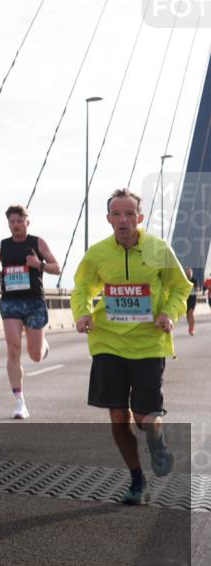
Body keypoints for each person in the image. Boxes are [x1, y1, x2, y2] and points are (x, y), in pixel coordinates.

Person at [71, 188, 191, 505]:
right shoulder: (97, 254)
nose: (123, 220)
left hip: (149, 343)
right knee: (117, 415)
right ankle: (137, 481)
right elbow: (81, 287)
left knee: (143, 415)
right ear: (109, 219)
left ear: (139, 218)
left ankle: (157, 440)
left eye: (129, 214)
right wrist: (82, 314)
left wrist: (169, 313)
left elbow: (181, 287)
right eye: (116, 214)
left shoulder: (158, 249)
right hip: (108, 341)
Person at [0, 205, 59, 419]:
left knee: (35, 355)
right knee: (13, 348)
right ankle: (20, 401)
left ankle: (43, 347)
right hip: (10, 302)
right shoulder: (2, 245)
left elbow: (57, 267)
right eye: (12, 222)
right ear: (8, 223)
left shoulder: (37, 243)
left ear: (27, 222)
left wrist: (39, 264)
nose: (16, 225)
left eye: (20, 221)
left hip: (33, 302)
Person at [185, 267, 198, 335]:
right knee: (187, 315)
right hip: (186, 299)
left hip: (193, 299)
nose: (189, 274)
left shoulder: (194, 280)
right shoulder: (184, 280)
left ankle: (192, 329)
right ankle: (190, 327)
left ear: (192, 273)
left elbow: (195, 291)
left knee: (191, 313)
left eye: (190, 273)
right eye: (187, 273)